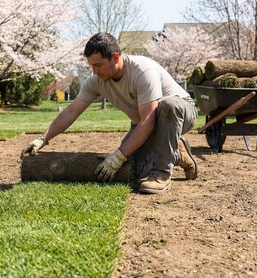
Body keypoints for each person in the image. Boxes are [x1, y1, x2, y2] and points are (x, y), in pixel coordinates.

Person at [20, 32, 198, 194]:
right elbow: (71, 111)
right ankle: (177, 153)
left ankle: (162, 174)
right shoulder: (96, 80)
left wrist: (119, 155)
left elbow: (149, 120)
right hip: (145, 123)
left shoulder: (142, 72)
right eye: (91, 66)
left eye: (98, 65)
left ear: (115, 57)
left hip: (179, 113)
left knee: (168, 105)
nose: (94, 71)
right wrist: (43, 138)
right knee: (132, 171)